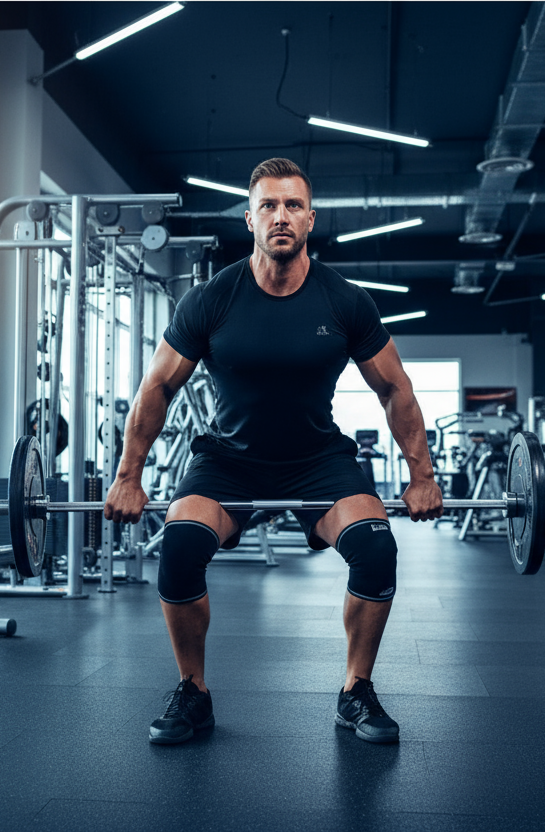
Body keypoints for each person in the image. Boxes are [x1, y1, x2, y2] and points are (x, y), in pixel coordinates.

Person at [105, 158, 444, 745]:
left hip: (318, 458)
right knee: (181, 546)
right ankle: (194, 691)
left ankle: (355, 691)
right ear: (250, 219)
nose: (281, 216)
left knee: (376, 546)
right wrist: (128, 475)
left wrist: (423, 475)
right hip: (228, 459)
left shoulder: (345, 301)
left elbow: (395, 388)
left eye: (292, 206)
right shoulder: (212, 299)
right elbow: (157, 386)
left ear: (310, 219)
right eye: (269, 205)